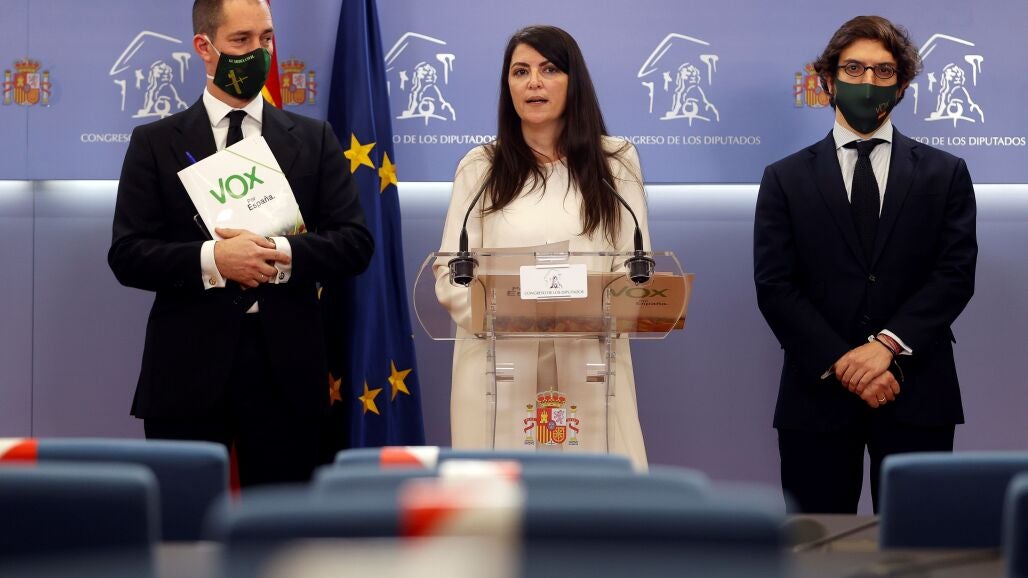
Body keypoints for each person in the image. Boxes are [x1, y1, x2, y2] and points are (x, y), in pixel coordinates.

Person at [108, 0, 373, 487]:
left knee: (280, 525)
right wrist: (215, 259)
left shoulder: (314, 139)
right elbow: (128, 254)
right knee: (183, 520)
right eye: (241, 40)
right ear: (204, 47)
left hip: (286, 370)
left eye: (266, 38)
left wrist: (277, 254)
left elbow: (354, 243)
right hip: (186, 368)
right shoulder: (155, 142)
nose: (259, 52)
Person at [754, 15, 977, 513]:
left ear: (902, 87)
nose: (868, 82)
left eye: (883, 71)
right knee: (815, 544)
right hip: (817, 396)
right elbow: (775, 286)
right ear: (828, 81)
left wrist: (885, 347)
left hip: (917, 391)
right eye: (854, 69)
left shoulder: (945, 174)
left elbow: (955, 275)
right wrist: (846, 363)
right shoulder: (784, 178)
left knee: (919, 542)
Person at [436, 25, 650, 469]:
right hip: (498, 367)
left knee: (587, 498)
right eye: (521, 71)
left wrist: (597, 304)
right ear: (508, 87)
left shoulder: (615, 162)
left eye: (549, 69)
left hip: (590, 362)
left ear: (574, 82)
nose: (534, 82)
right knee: (502, 500)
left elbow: (636, 267)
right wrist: (503, 309)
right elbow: (451, 272)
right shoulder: (480, 168)